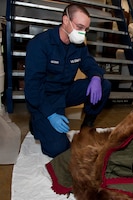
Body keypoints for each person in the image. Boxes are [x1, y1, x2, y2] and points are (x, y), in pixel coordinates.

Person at [25, 4, 111, 158]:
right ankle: (37, 122)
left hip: (65, 92)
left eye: (86, 29)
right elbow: (32, 88)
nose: (82, 33)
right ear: (65, 20)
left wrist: (96, 77)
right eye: (79, 26)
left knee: (104, 85)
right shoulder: (40, 44)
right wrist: (50, 114)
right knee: (58, 149)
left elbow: (89, 63)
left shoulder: (78, 45)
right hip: (44, 97)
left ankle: (87, 128)